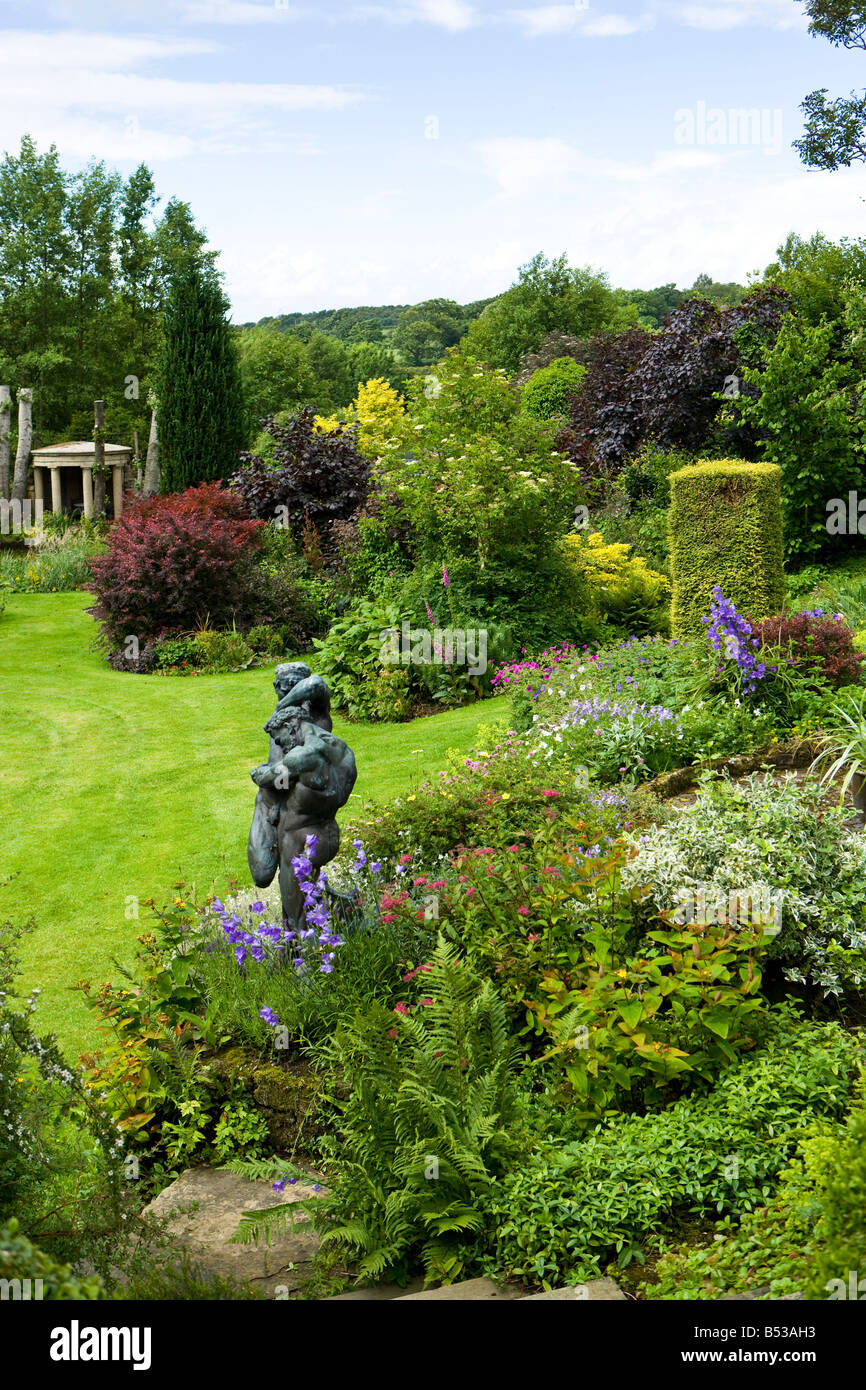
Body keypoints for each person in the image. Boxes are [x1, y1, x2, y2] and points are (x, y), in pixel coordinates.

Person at [250, 707, 357, 928]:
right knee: (304, 897)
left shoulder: (303, 754)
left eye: (278, 739)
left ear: (290, 727)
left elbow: (269, 776)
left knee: (296, 916)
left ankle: (303, 952)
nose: (279, 746)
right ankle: (343, 912)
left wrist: (259, 774)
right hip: (324, 833)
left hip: (303, 840)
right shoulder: (337, 747)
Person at [247, 663, 332, 885]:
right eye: (284, 688)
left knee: (297, 880)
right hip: (268, 804)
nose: (291, 693)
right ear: (276, 686)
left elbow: (315, 684)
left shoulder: (316, 716)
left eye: (295, 685)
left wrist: (281, 706)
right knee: (262, 875)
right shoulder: (279, 723)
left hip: (299, 811)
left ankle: (322, 909)